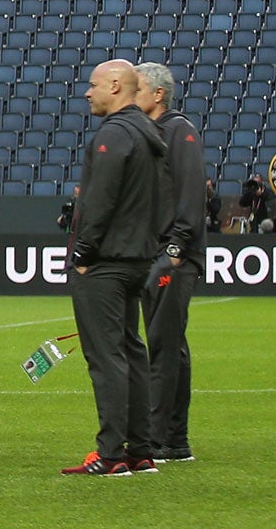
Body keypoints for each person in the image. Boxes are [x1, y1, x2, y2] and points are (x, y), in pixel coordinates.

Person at [61, 59, 167, 477]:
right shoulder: (150, 132)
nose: (88, 93)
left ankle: (111, 453)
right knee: (131, 350)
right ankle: (140, 449)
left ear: (117, 86)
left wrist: (83, 254)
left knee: (106, 357)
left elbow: (100, 200)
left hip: (107, 260)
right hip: (138, 256)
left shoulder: (115, 134)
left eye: (93, 85)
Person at [137, 60, 208, 465]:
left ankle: (159, 437)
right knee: (168, 344)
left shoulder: (178, 131)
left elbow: (190, 191)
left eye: (140, 88)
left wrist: (176, 249)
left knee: (164, 346)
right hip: (160, 251)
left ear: (159, 94)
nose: (133, 94)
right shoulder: (155, 133)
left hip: (173, 255)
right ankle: (174, 440)